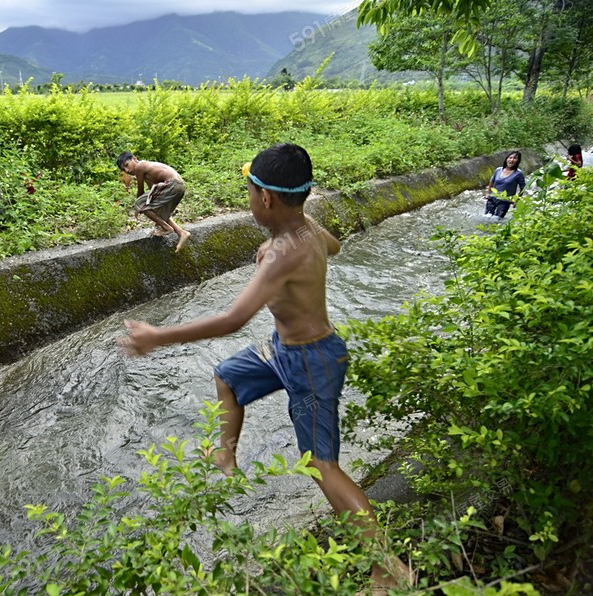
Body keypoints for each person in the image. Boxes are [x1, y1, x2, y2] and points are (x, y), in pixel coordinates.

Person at [119, 143, 412, 592]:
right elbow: (331, 245)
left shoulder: (280, 253)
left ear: (267, 199)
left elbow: (233, 318)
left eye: (250, 192)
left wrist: (157, 335)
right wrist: (287, 239)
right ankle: (226, 453)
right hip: (285, 349)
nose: (249, 200)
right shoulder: (303, 233)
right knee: (229, 378)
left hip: (313, 360)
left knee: (321, 465)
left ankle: (388, 568)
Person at [117, 151, 191, 252]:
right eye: (123, 170)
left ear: (134, 159)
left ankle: (166, 228)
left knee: (140, 203)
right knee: (156, 210)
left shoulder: (140, 166)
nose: (127, 170)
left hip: (172, 184)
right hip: (179, 187)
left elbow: (140, 192)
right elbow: (152, 192)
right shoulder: (148, 170)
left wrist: (139, 207)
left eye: (126, 165)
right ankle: (182, 233)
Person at [483, 151, 526, 219]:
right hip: (492, 198)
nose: (512, 160)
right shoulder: (498, 170)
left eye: (515, 158)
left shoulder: (519, 174)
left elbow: (523, 188)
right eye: (510, 157)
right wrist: (488, 193)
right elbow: (492, 182)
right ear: (506, 159)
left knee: (497, 219)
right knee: (486, 217)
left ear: (518, 161)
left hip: (505, 201)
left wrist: (517, 200)